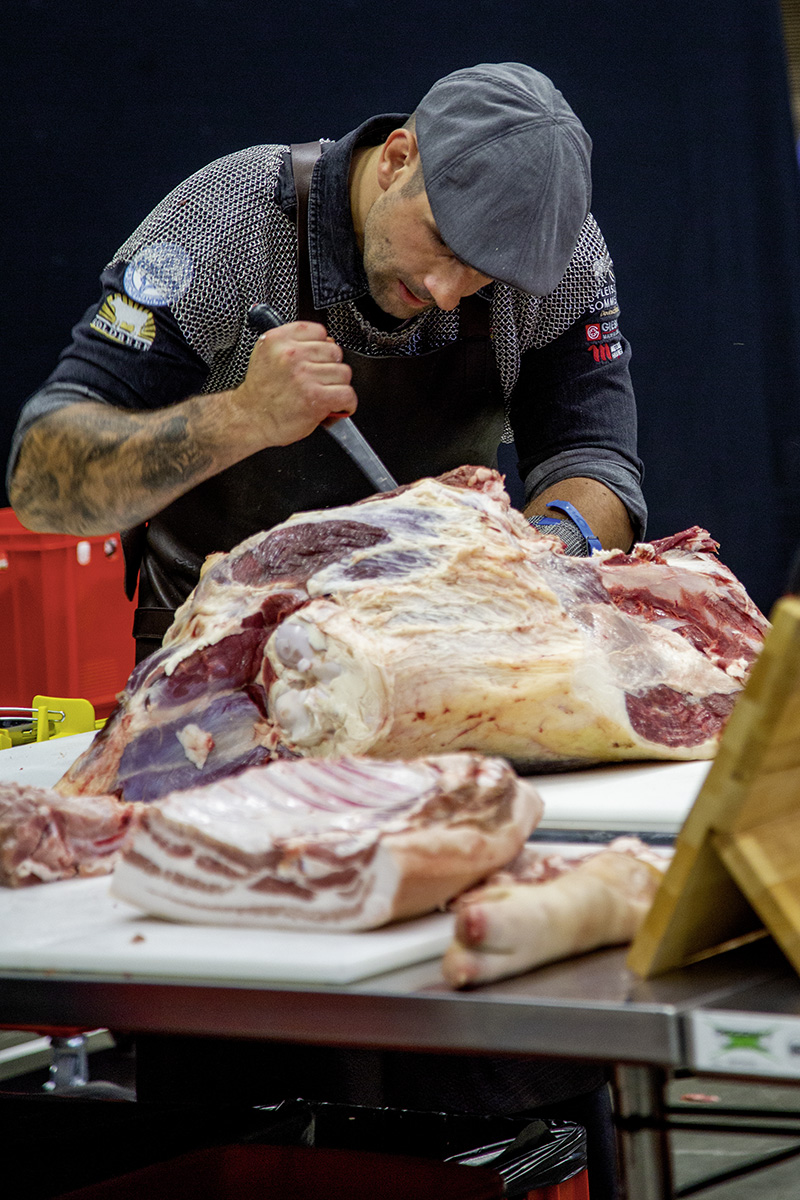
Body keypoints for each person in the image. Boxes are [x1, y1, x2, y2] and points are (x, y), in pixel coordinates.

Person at [8, 62, 639, 1197]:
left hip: (440, 706)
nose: (449, 292)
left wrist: (535, 552)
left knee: (477, 1081)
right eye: (436, 247)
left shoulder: (553, 259)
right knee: (244, 1105)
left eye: (480, 275)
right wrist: (238, 418)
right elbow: (49, 481)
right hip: (221, 730)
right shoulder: (225, 225)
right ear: (395, 155)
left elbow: (596, 463)